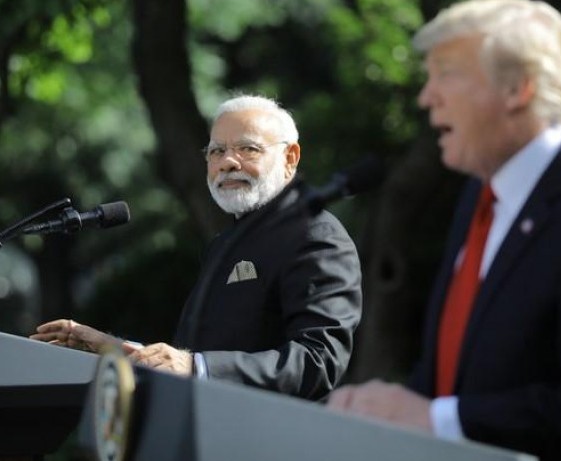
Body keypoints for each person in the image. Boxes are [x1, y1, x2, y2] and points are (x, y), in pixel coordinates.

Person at [327, 0, 561, 461]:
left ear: (519, 89)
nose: (426, 96)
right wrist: (387, 411)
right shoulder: (483, 185)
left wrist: (437, 420)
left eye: (446, 73)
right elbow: (457, 369)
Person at [31, 94, 362, 401]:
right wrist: (115, 349)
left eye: (248, 149)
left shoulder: (316, 237)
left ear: (290, 157)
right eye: (216, 151)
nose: (227, 162)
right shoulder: (225, 244)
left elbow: (319, 361)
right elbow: (192, 359)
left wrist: (196, 366)